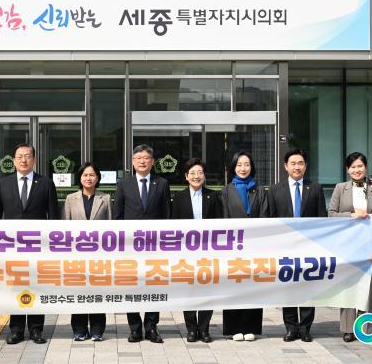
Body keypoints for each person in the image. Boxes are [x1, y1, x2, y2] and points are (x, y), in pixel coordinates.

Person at [0, 143, 59, 345]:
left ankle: (36, 329)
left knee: (37, 286)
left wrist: (52, 246)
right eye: (19, 156)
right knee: (15, 287)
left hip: (38, 247)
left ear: (34, 160)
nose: (23, 160)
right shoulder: (3, 184)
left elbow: (54, 216)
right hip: (12, 248)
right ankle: (16, 329)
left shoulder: (45, 183)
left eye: (27, 156)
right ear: (13, 161)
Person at [266, 149, 326, 343]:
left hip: (309, 248)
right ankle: (291, 328)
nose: (297, 167)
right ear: (286, 166)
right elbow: (270, 220)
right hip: (285, 248)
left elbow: (322, 218)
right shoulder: (275, 190)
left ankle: (306, 328)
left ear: (305, 166)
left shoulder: (315, 188)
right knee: (289, 287)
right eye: (293, 163)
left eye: (300, 163)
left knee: (308, 287)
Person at [114, 144, 171, 343]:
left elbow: (167, 215)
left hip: (155, 246)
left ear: (152, 161)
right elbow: (118, 215)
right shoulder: (124, 184)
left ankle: (151, 327)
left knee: (154, 285)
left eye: (146, 158)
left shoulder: (162, 183)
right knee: (132, 285)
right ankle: (135, 328)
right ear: (132, 162)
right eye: (138, 158)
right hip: (131, 246)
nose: (142, 161)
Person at [327, 152, 372, 343]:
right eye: (353, 167)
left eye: (360, 166)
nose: (356, 170)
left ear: (365, 167)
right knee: (348, 286)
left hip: (368, 247)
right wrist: (351, 215)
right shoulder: (340, 188)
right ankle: (348, 328)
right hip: (347, 246)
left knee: (366, 286)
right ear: (347, 169)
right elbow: (331, 214)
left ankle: (364, 327)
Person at [171, 158, 223, 343]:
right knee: (189, 291)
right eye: (192, 173)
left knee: (207, 290)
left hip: (208, 252)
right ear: (186, 176)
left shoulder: (213, 196)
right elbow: (173, 226)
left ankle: (204, 329)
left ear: (204, 176)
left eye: (200, 172)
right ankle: (191, 329)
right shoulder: (179, 198)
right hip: (186, 253)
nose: (196, 176)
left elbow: (219, 224)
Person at [62, 162, 112, 341]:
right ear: (80, 178)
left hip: (99, 255)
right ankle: (79, 329)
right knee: (78, 291)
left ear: (97, 178)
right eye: (85, 175)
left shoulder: (105, 198)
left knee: (97, 291)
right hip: (76, 255)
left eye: (92, 175)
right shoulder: (70, 199)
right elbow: (65, 227)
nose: (88, 178)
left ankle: (97, 329)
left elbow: (111, 227)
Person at [221, 151, 266, 342]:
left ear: (251, 167)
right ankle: (234, 328)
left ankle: (250, 327)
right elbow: (224, 218)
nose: (243, 168)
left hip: (255, 245)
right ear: (233, 167)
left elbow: (265, 216)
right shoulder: (227, 190)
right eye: (239, 164)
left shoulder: (259, 190)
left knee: (253, 285)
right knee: (233, 284)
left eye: (246, 164)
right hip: (233, 246)